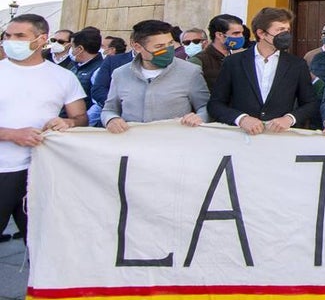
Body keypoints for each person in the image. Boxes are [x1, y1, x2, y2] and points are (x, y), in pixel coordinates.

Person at [0, 14, 87, 241]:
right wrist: (11, 134)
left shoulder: (64, 77)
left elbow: (80, 117)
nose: (11, 41)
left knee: (42, 245)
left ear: (41, 39)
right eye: (8, 36)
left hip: (43, 170)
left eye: (20, 36)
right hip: (3, 170)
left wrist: (68, 122)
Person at [208, 7, 317, 134]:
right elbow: (215, 104)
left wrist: (290, 119)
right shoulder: (233, 62)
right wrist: (241, 119)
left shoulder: (297, 65)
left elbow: (310, 103)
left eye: (287, 30)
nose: (286, 35)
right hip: (241, 137)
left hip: (280, 138)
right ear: (261, 33)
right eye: (280, 30)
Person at [102, 19, 210, 132]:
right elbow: (109, 109)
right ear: (138, 47)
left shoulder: (190, 72)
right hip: (132, 143)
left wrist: (199, 118)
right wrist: (111, 119)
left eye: (170, 44)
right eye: (159, 46)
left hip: (174, 142)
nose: (167, 50)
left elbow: (205, 106)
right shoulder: (121, 74)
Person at [189, 13, 246, 89]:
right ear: (219, 35)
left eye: (242, 33)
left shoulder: (240, 59)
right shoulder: (198, 61)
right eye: (236, 33)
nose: (241, 37)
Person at [66, 26, 104, 105]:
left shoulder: (99, 70)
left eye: (72, 47)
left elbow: (98, 102)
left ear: (80, 49)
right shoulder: (74, 66)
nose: (70, 50)